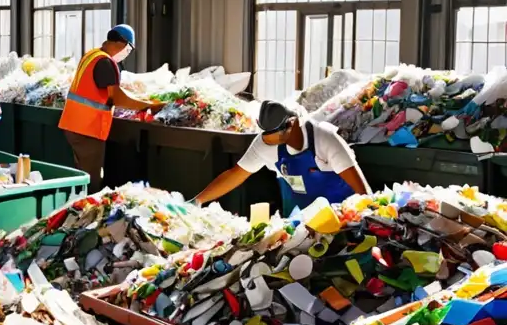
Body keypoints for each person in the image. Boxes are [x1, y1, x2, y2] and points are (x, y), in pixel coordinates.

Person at [194, 100, 370, 216]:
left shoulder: (324, 139)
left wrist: (366, 217)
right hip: (304, 222)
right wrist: (197, 201)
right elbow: (235, 174)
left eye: (274, 137)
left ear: (291, 124)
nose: (267, 142)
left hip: (344, 217)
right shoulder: (264, 142)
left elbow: (363, 191)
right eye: (265, 135)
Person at [58, 25, 162, 191]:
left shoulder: (92, 55)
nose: (127, 53)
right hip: (87, 129)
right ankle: (84, 213)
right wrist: (148, 105)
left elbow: (107, 92)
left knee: (81, 176)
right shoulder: (106, 62)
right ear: (122, 43)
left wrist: (141, 99)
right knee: (91, 181)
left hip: (74, 124)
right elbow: (117, 97)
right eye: (129, 49)